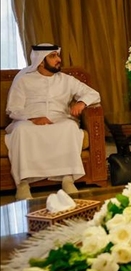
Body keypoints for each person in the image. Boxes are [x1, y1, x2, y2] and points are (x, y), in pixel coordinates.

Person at [5, 44, 101, 200]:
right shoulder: (23, 79)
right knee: (21, 130)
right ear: (40, 61)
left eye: (58, 55)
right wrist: (33, 118)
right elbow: (13, 109)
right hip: (28, 120)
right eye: (53, 56)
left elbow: (93, 94)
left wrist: (81, 103)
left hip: (59, 119)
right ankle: (23, 184)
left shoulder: (67, 80)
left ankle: (67, 179)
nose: (59, 59)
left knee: (69, 127)